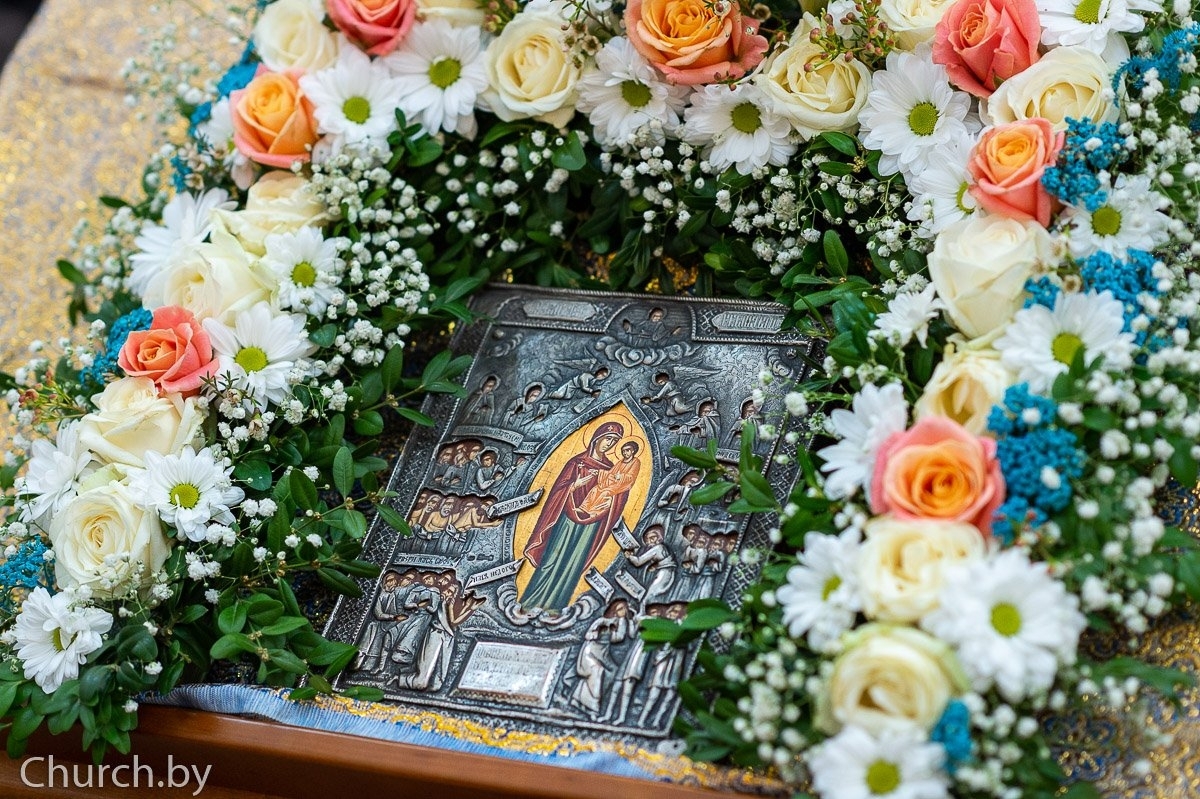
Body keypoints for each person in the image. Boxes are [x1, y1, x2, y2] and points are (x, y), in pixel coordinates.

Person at [520, 422, 634, 612]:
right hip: (566, 519)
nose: (610, 444)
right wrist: (574, 485)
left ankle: (557, 608)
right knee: (552, 559)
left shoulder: (610, 468)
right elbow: (558, 491)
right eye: (608, 439)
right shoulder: (576, 462)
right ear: (597, 438)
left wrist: (614, 495)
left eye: (614, 442)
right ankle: (530, 602)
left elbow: (619, 492)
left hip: (591, 524)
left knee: (572, 564)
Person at [569, 599, 632, 716]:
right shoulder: (601, 621)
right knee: (598, 671)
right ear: (613, 611)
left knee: (614, 671)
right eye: (620, 609)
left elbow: (618, 637)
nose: (623, 611)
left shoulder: (618, 623)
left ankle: (580, 698)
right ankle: (593, 706)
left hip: (603, 655)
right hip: (590, 653)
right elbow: (588, 635)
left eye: (625, 609)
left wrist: (623, 620)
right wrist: (595, 633)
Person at [579, 440, 641, 517]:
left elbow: (632, 477)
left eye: (627, 450)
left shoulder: (635, 462)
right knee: (595, 489)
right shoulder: (620, 462)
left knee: (605, 493)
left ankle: (594, 511)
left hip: (621, 486)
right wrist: (599, 472)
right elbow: (610, 473)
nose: (625, 453)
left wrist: (621, 476)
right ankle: (584, 508)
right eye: (623, 451)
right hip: (612, 483)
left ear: (633, 451)